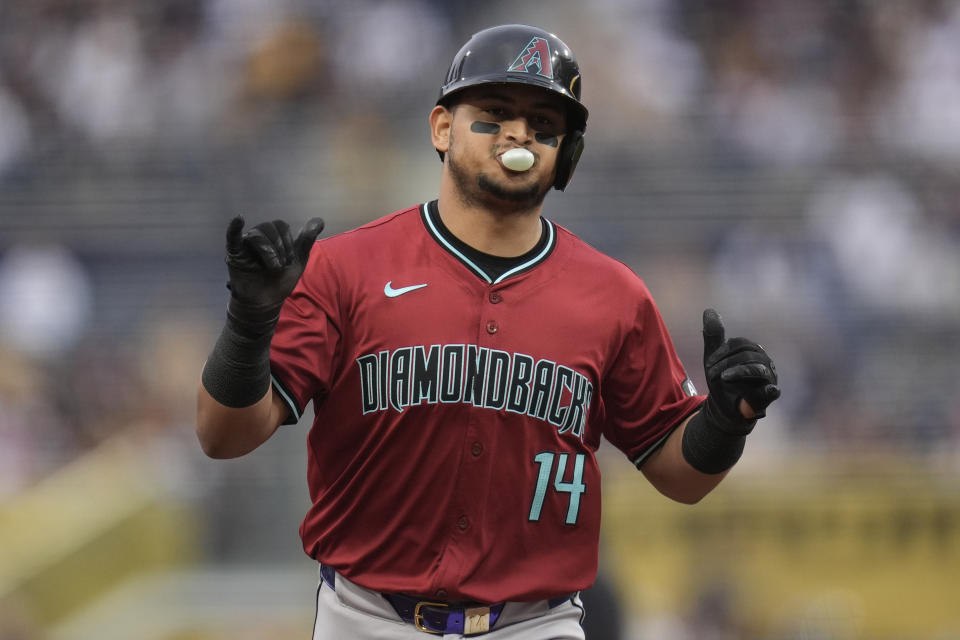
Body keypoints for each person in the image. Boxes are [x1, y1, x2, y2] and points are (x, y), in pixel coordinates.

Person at [195, 24, 780, 640]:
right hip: (367, 619)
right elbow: (222, 436)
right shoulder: (346, 269)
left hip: (536, 624)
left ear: (566, 152)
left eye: (543, 121)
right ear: (442, 128)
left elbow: (678, 475)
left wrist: (724, 421)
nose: (520, 133)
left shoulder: (614, 296)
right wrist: (248, 324)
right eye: (495, 112)